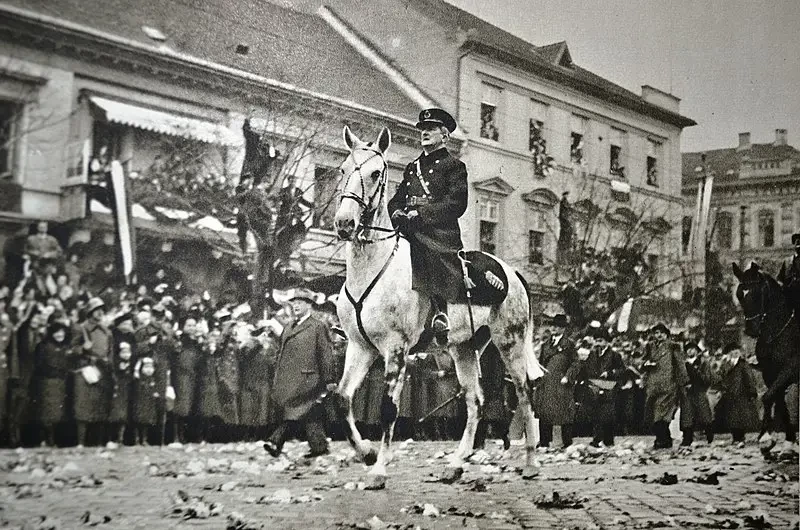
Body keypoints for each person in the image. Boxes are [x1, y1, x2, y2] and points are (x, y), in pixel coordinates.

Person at [387, 108, 467, 344]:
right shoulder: (413, 167)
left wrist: (421, 214)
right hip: (409, 228)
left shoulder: (454, 166)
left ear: (445, 135)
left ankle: (441, 313)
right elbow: (397, 199)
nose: (424, 133)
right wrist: (397, 211)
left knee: (428, 253)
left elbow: (456, 203)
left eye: (431, 129)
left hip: (438, 233)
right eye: (423, 129)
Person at [264, 288, 336, 458]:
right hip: (288, 378)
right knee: (309, 413)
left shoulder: (318, 326)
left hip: (307, 378)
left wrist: (329, 379)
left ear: (309, 305)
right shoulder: (289, 326)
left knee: (295, 409)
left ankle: (276, 441)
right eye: (294, 303)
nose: (295, 306)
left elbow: (325, 354)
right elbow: (281, 352)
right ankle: (319, 447)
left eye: (300, 302)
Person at [534, 314, 580, 448]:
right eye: (553, 326)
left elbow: (576, 363)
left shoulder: (569, 345)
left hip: (561, 383)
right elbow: (541, 363)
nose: (554, 328)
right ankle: (544, 442)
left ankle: (567, 442)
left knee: (564, 413)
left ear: (563, 329)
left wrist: (568, 376)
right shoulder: (546, 344)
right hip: (547, 382)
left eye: (558, 326)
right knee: (545, 411)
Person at [641, 323, 689, 449]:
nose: (659, 335)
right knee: (654, 414)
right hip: (653, 385)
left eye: (662, 333)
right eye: (656, 333)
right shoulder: (650, 346)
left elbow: (680, 364)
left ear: (667, 334)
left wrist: (684, 381)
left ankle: (662, 440)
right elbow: (642, 362)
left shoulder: (673, 346)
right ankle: (664, 440)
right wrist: (646, 364)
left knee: (662, 415)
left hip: (668, 385)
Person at [72, 297, 112, 446]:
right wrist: (83, 348)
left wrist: (109, 363)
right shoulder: (80, 328)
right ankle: (81, 442)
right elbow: (72, 349)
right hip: (86, 370)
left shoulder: (107, 331)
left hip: (102, 370)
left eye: (102, 310)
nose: (100, 312)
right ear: (90, 312)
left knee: (100, 406)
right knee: (83, 407)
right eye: (97, 310)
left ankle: (98, 442)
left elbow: (110, 351)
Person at [580, 324, 625, 448]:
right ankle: (597, 439)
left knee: (607, 415)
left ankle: (608, 440)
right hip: (595, 387)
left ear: (607, 341)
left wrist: (609, 373)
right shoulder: (592, 354)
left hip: (609, 387)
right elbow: (586, 369)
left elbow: (622, 370)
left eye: (600, 341)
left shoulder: (615, 355)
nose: (598, 343)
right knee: (595, 414)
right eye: (596, 341)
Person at [31, 319, 72, 446]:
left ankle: (55, 439)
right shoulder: (44, 346)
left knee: (59, 413)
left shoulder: (66, 347)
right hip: (47, 382)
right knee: (46, 411)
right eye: (57, 332)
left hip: (61, 382)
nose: (60, 335)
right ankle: (46, 439)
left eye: (62, 332)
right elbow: (39, 365)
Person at [714, 343, 760, 444]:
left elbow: (749, 378)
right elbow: (721, 378)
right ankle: (735, 437)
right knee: (731, 417)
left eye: (737, 350)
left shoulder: (743, 364)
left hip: (741, 393)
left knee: (740, 416)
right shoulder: (726, 364)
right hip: (729, 394)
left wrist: (752, 391)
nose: (735, 352)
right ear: (729, 353)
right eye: (732, 350)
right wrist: (721, 389)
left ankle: (740, 437)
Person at [679, 342, 716, 445]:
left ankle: (709, 435)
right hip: (687, 392)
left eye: (693, 349)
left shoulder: (703, 363)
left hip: (699, 391)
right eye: (688, 349)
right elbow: (680, 377)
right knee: (687, 416)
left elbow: (707, 378)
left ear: (697, 351)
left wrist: (697, 374)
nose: (690, 351)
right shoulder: (682, 364)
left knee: (705, 414)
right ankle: (687, 438)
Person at [777, 232, 800, 327]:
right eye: (797, 242)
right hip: (789, 303)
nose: (799, 245)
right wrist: (781, 285)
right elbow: (779, 279)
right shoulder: (787, 262)